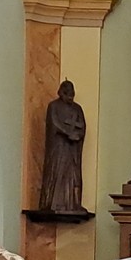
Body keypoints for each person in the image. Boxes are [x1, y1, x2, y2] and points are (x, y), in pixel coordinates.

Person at [38, 80, 87, 213]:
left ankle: (73, 203)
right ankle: (52, 203)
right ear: (61, 93)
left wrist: (77, 135)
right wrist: (67, 133)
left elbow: (82, 125)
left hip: (72, 149)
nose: (70, 97)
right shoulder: (53, 106)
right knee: (58, 171)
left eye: (72, 94)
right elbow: (54, 123)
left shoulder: (77, 109)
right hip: (59, 147)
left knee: (73, 175)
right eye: (67, 94)